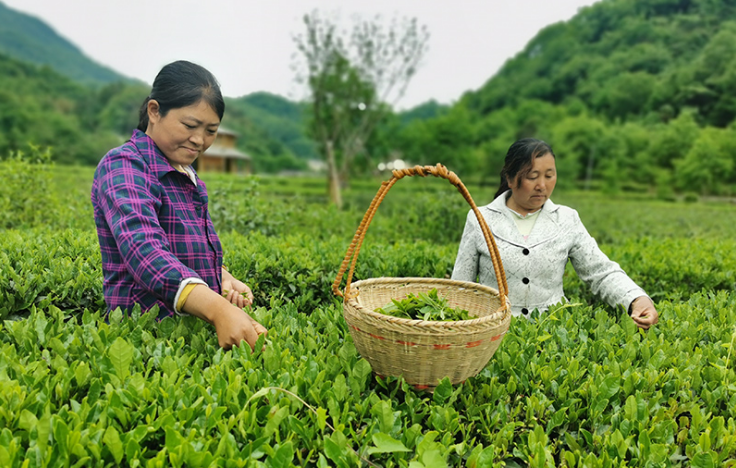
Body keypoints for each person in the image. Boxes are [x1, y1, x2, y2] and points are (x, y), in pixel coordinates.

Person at [91, 60, 267, 349]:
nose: (199, 140)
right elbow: (146, 253)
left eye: (211, 131)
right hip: (143, 339)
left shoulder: (186, 172)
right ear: (154, 111)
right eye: (189, 125)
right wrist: (219, 309)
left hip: (188, 337)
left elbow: (180, 246)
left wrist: (221, 277)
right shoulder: (124, 164)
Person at [452, 138, 659, 329]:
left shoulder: (566, 219)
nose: (542, 185)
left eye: (549, 176)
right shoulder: (480, 218)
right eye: (532, 176)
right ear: (510, 179)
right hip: (494, 331)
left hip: (555, 332)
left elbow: (600, 272)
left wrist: (636, 299)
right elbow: (460, 287)